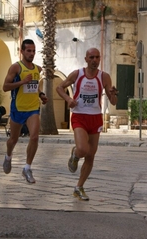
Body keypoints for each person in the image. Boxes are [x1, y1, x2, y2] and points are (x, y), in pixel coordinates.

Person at [56, 47, 118, 201]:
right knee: (83, 149)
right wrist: (68, 99)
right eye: (91, 57)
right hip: (79, 116)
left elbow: (113, 102)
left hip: (95, 117)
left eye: (97, 57)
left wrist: (113, 94)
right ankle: (75, 154)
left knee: (91, 156)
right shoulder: (78, 74)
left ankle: (79, 187)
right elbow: (59, 87)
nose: (94, 60)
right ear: (86, 59)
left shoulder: (104, 77)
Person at [2, 39, 48, 184]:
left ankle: (27, 168)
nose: (31, 53)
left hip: (33, 109)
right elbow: (5, 86)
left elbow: (34, 87)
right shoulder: (16, 68)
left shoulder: (37, 69)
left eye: (34, 51)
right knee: (13, 140)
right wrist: (22, 82)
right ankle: (8, 156)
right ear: (22, 51)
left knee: (34, 137)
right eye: (28, 50)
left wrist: (41, 95)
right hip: (18, 108)